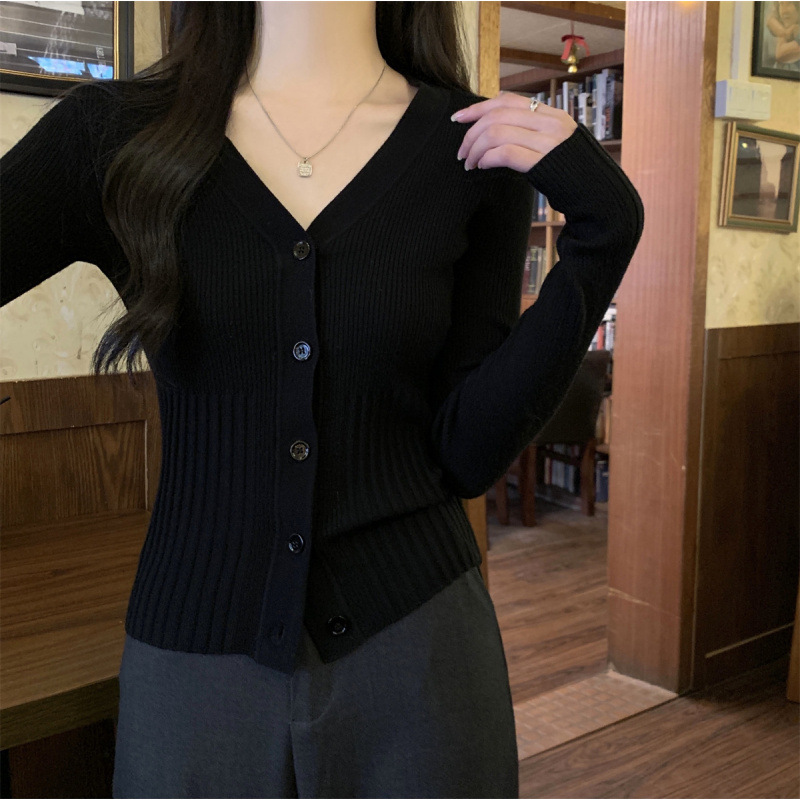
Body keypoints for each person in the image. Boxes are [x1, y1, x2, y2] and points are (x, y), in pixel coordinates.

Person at [0, 2, 644, 797]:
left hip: (420, 659)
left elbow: (466, 453)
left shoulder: (472, 148)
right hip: (193, 670)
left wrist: (605, 230)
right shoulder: (116, 135)